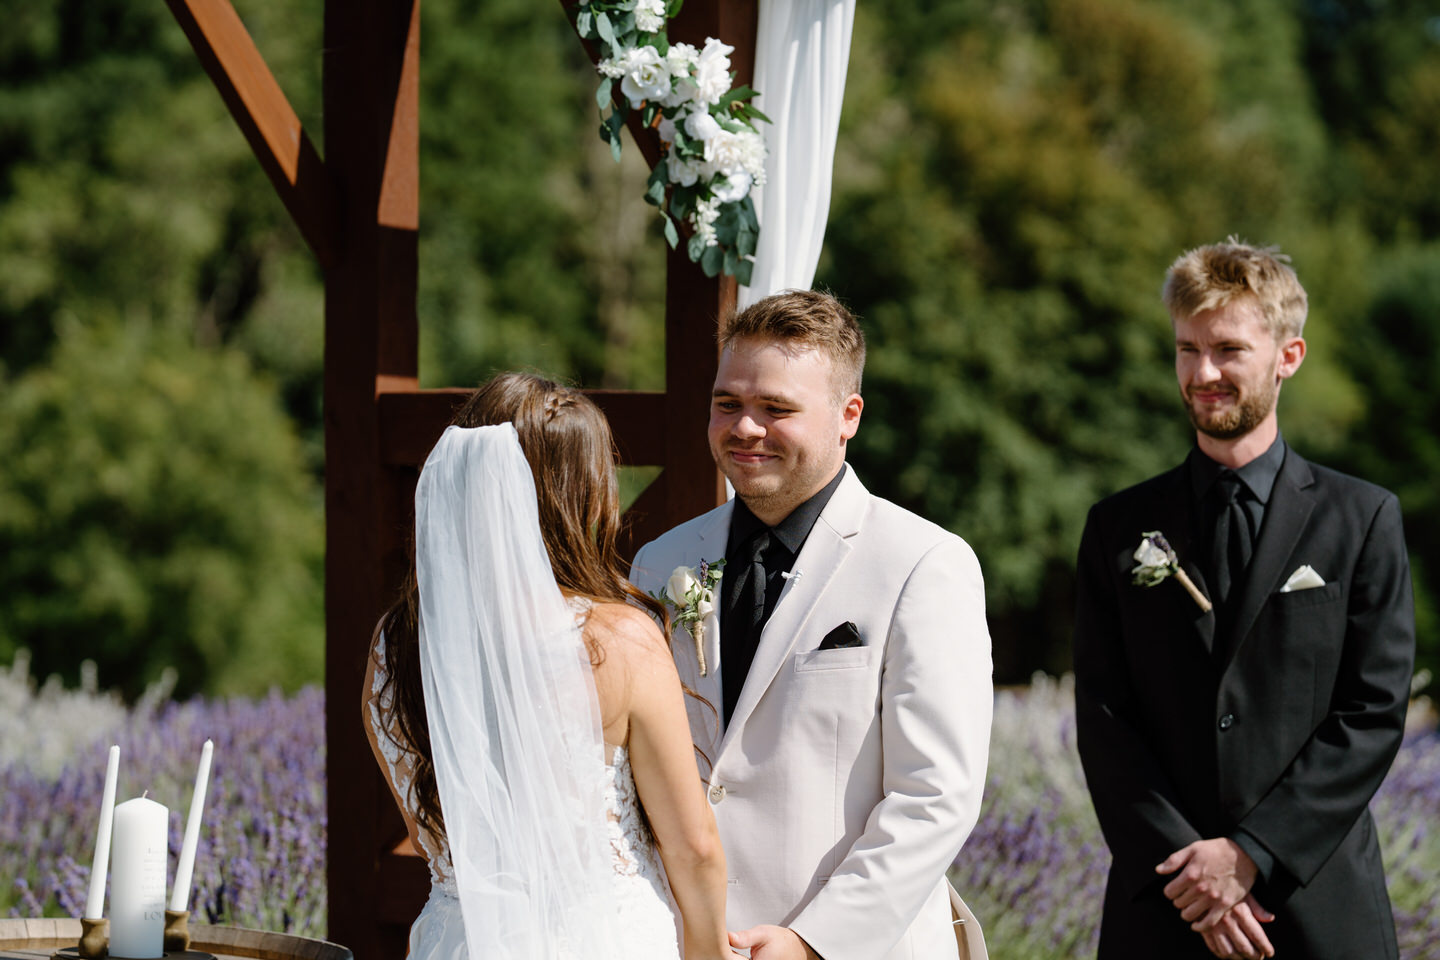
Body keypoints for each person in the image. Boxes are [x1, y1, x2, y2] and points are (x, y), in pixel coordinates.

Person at [1073, 239, 1415, 960]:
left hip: (1316, 906)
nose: (1202, 374)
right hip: (1166, 906)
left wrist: (1252, 853)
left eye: (1228, 350)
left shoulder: (1363, 519)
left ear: (1288, 356)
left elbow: (1372, 712)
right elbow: (1105, 716)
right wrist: (1192, 870)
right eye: (1186, 349)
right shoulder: (1118, 527)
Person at [630, 290, 993, 960]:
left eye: (776, 408)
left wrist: (813, 941)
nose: (744, 427)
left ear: (847, 415)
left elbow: (935, 796)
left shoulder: (923, 564)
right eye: (727, 403)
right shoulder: (661, 563)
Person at [361, 373, 740, 960]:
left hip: (458, 940)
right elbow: (693, 847)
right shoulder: (618, 639)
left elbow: (428, 830)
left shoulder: (397, 643)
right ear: (578, 495)